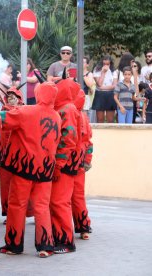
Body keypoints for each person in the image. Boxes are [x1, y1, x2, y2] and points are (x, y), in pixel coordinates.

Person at [0, 82, 61, 258]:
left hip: (25, 168)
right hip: (46, 169)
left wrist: (10, 109)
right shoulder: (56, 116)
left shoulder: (26, 111)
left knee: (17, 205)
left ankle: (14, 244)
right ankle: (46, 246)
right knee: (42, 206)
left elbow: (2, 120)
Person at [50, 76, 80, 254]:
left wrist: (59, 163)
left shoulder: (67, 109)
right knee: (58, 202)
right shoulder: (66, 107)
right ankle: (60, 238)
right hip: (66, 161)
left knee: (59, 202)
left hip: (66, 162)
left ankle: (66, 242)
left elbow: (68, 139)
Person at [0, 86, 24, 224]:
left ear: (19, 99)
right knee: (6, 186)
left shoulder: (23, 112)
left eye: (14, 97)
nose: (11, 100)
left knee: (20, 187)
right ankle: (9, 213)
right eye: (9, 98)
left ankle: (24, 212)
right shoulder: (2, 113)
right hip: (4, 155)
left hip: (20, 156)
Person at [72, 89, 93, 240]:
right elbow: (89, 142)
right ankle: (84, 227)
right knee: (78, 196)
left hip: (69, 161)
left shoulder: (68, 114)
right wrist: (87, 160)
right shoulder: (84, 117)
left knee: (63, 199)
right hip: (80, 161)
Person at [91, 55, 118, 123]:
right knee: (100, 119)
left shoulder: (114, 71)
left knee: (110, 120)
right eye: (104, 64)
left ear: (110, 64)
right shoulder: (97, 69)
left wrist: (102, 88)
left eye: (107, 64)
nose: (106, 66)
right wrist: (103, 72)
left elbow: (114, 85)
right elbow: (99, 83)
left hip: (110, 94)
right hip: (100, 95)